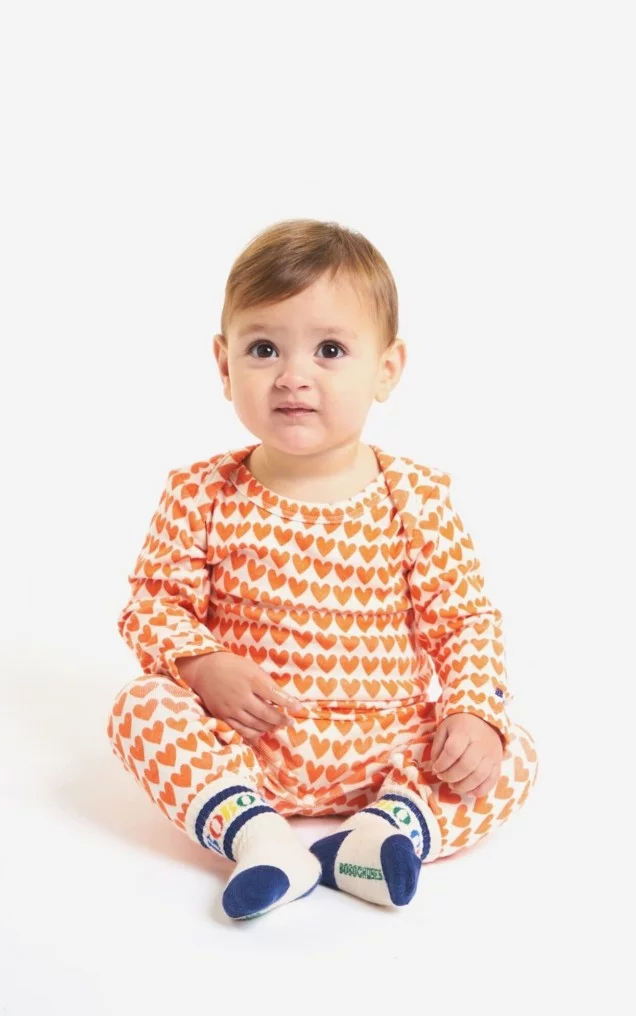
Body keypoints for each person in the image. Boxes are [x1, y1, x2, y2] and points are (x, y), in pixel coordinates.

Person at [107, 218, 539, 921]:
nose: (292, 376)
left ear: (387, 369)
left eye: (330, 350)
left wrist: (470, 711)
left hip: (390, 747)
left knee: (511, 751)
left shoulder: (415, 497)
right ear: (224, 365)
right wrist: (203, 665)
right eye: (263, 349)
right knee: (139, 707)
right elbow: (153, 604)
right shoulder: (200, 492)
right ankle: (258, 837)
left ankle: (383, 835)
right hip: (250, 742)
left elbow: (463, 619)